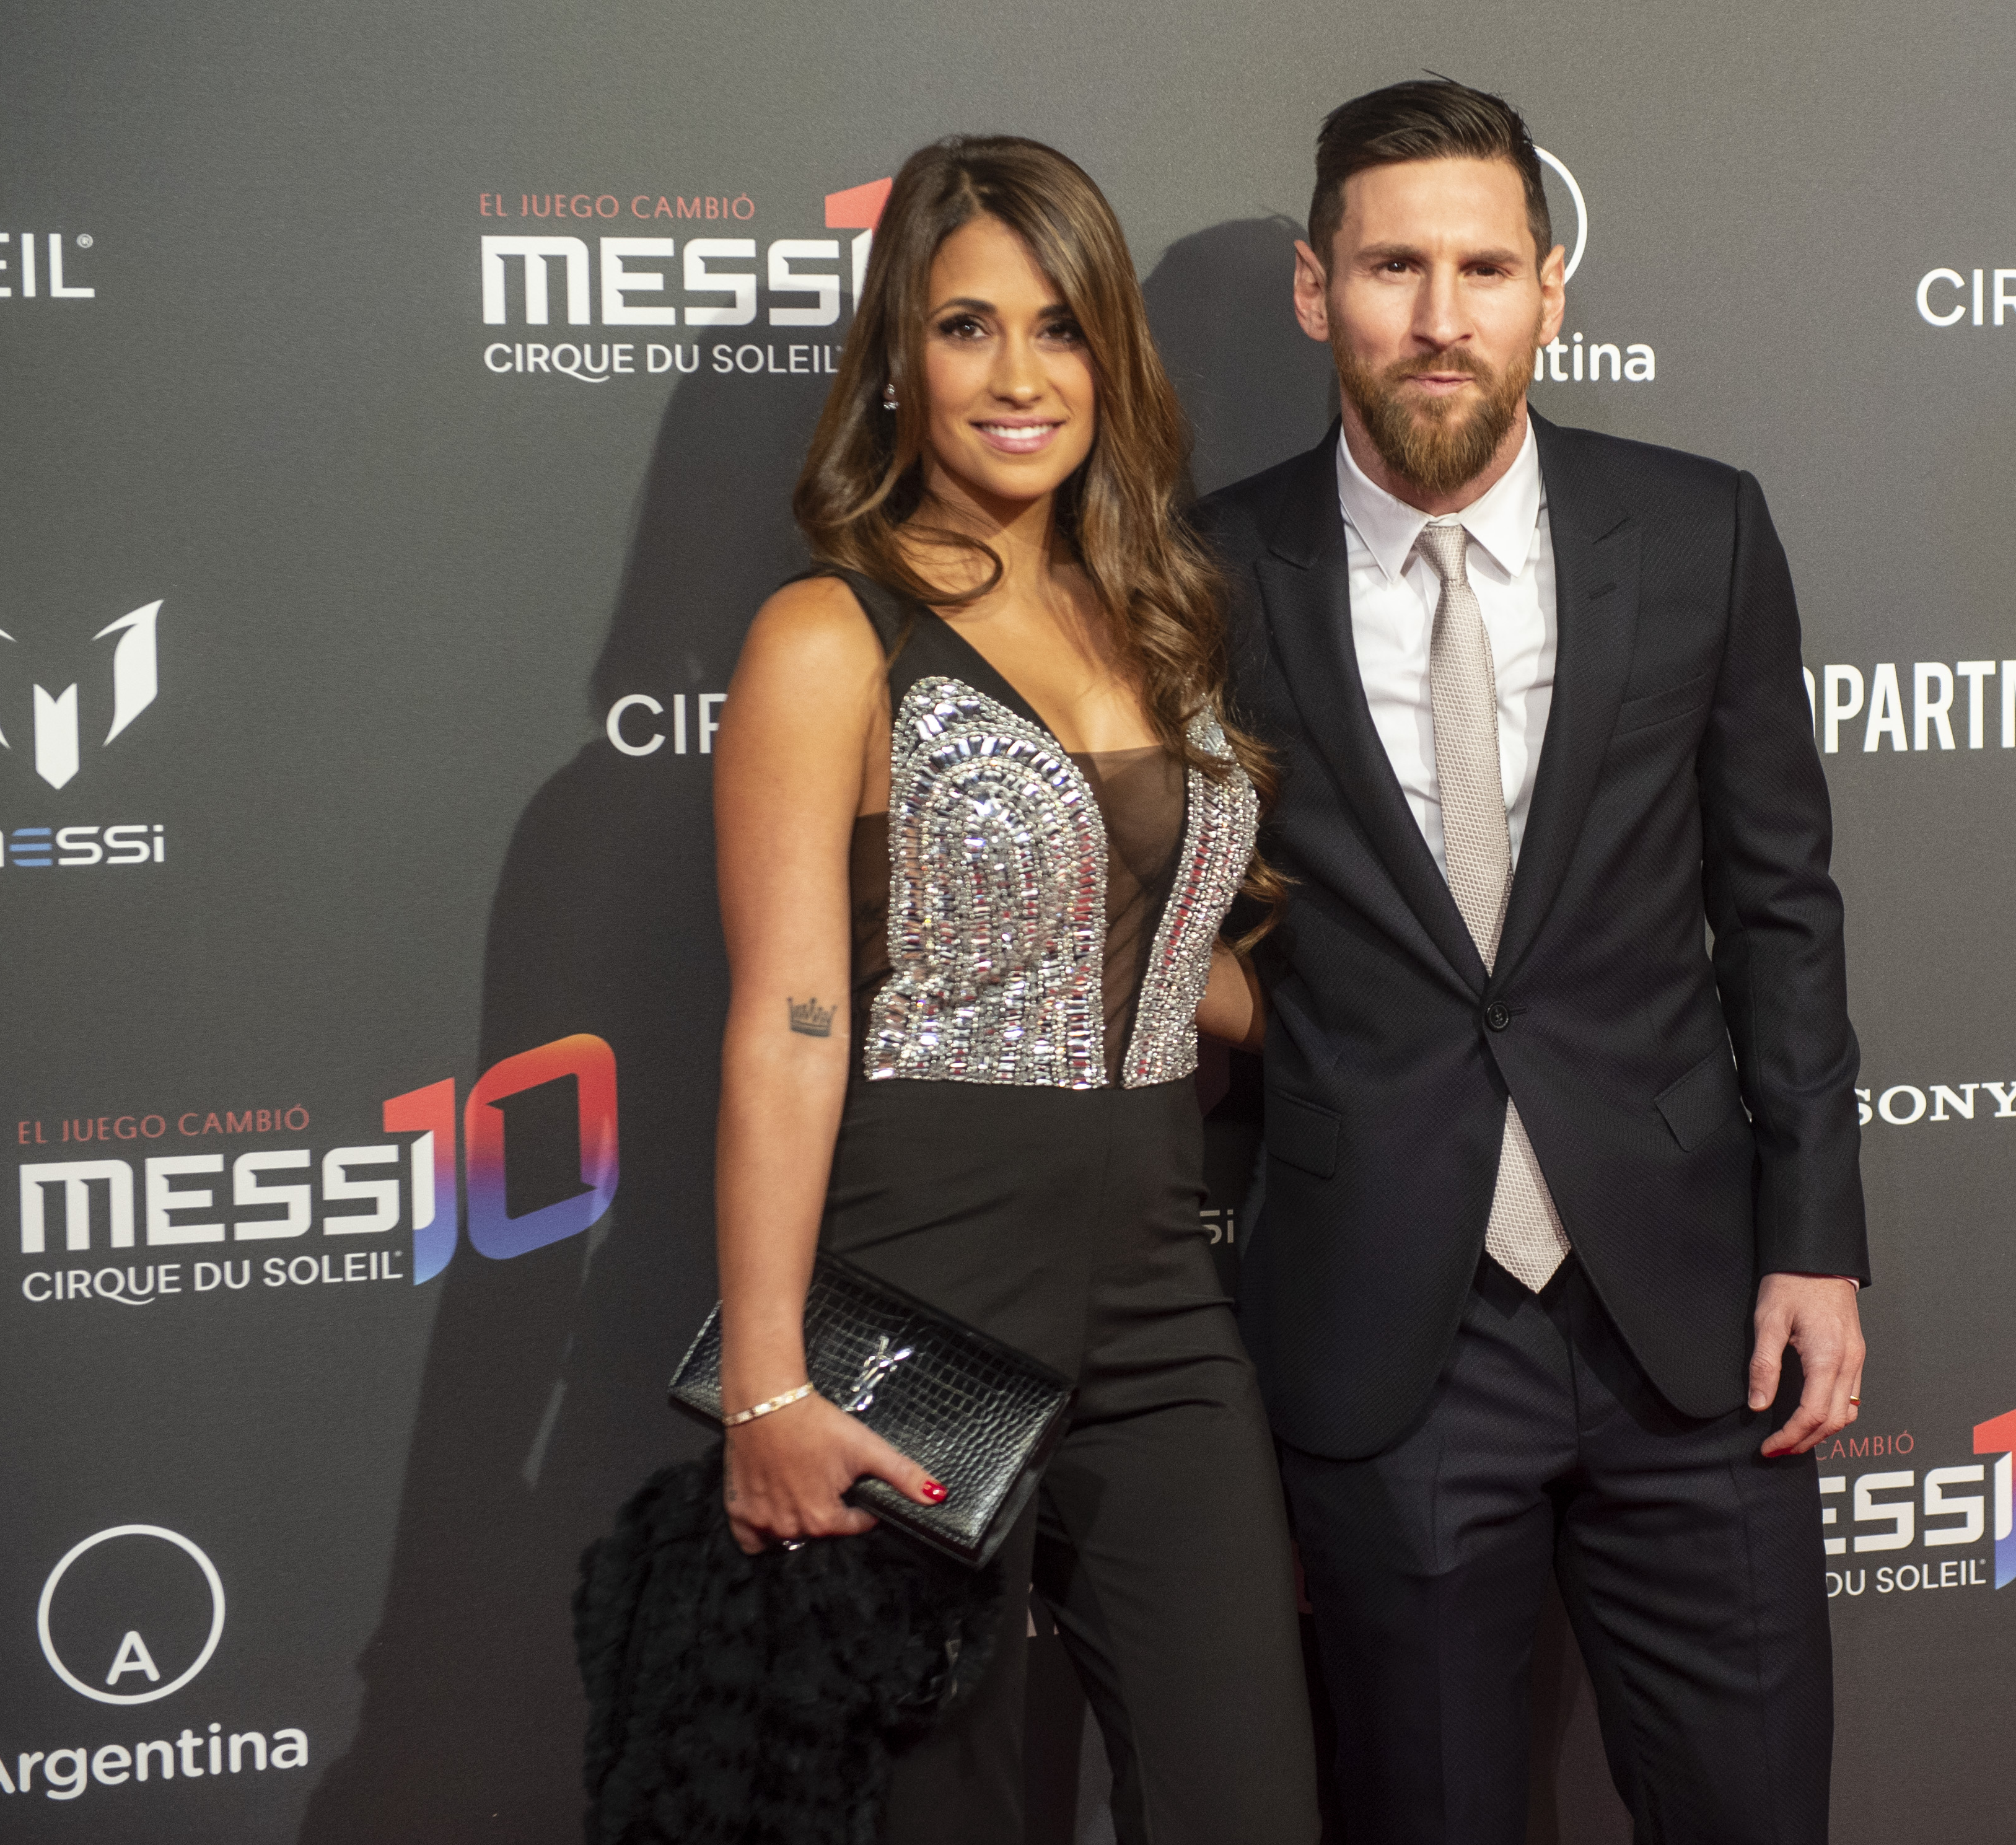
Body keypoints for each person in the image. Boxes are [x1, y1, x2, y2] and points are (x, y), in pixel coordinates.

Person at [1199, 80, 1872, 1843]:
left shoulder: (1702, 530)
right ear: (1314, 287)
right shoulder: (1204, 574)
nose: (1442, 318)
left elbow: (1782, 905)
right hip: (1384, 1325)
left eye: (1485, 268)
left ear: (1550, 290)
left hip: (1692, 1320)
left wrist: (1815, 1241)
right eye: (1392, 267)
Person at [708, 134, 1317, 1843]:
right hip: (918, 1292)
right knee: (935, 1810)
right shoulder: (828, 635)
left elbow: (1160, 948)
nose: (1020, 376)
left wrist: (1417, 1034)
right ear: (897, 359)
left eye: (1060, 328)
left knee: (1249, 1796)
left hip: (1162, 1301)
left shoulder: (1155, 615)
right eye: (967, 326)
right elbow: (786, 1023)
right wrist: (767, 1380)